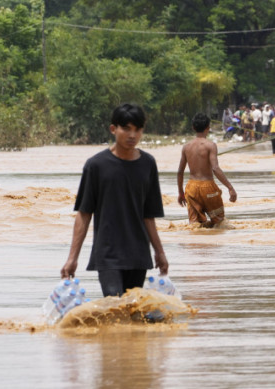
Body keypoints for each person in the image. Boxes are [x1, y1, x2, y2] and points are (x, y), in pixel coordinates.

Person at [60, 103, 168, 297]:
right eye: (126, 128)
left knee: (131, 310)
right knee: (114, 304)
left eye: (137, 129)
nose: (132, 135)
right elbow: (84, 214)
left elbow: (148, 216)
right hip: (108, 253)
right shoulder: (96, 165)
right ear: (113, 129)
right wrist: (72, 258)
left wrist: (159, 252)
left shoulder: (148, 164)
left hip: (138, 253)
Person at [177, 113, 237, 228]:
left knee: (195, 225)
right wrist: (230, 187)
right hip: (208, 187)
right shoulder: (210, 145)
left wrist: (180, 192)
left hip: (191, 188)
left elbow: (180, 171)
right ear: (208, 128)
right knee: (220, 223)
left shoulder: (186, 147)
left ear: (193, 128)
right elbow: (215, 168)